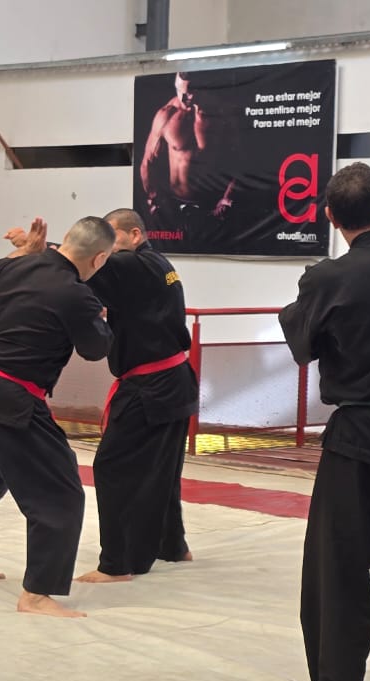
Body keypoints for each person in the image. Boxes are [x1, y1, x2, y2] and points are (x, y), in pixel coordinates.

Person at [0, 217, 113, 618]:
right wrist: (102, 321)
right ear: (99, 258)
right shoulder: (76, 294)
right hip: (12, 404)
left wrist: (24, 251)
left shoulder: (16, 267)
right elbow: (95, 349)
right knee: (61, 494)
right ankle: (37, 594)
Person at [279, 162, 370, 681]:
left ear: (329, 216)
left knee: (337, 567)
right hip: (362, 428)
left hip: (362, 435)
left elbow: (302, 344)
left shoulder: (328, 278)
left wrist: (301, 302)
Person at [74, 208, 195, 584]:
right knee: (164, 468)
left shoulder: (132, 264)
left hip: (150, 386)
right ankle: (172, 545)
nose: (106, 248)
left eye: (112, 238)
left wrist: (43, 252)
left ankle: (117, 562)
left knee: (112, 467)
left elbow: (81, 262)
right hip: (175, 380)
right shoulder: (158, 264)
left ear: (135, 235)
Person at [140, 72, 238, 231]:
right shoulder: (167, 115)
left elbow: (239, 161)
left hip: (212, 205)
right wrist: (153, 199)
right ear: (176, 88)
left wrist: (227, 198)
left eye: (192, 92)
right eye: (183, 93)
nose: (188, 97)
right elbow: (148, 162)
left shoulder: (220, 115)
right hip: (174, 206)